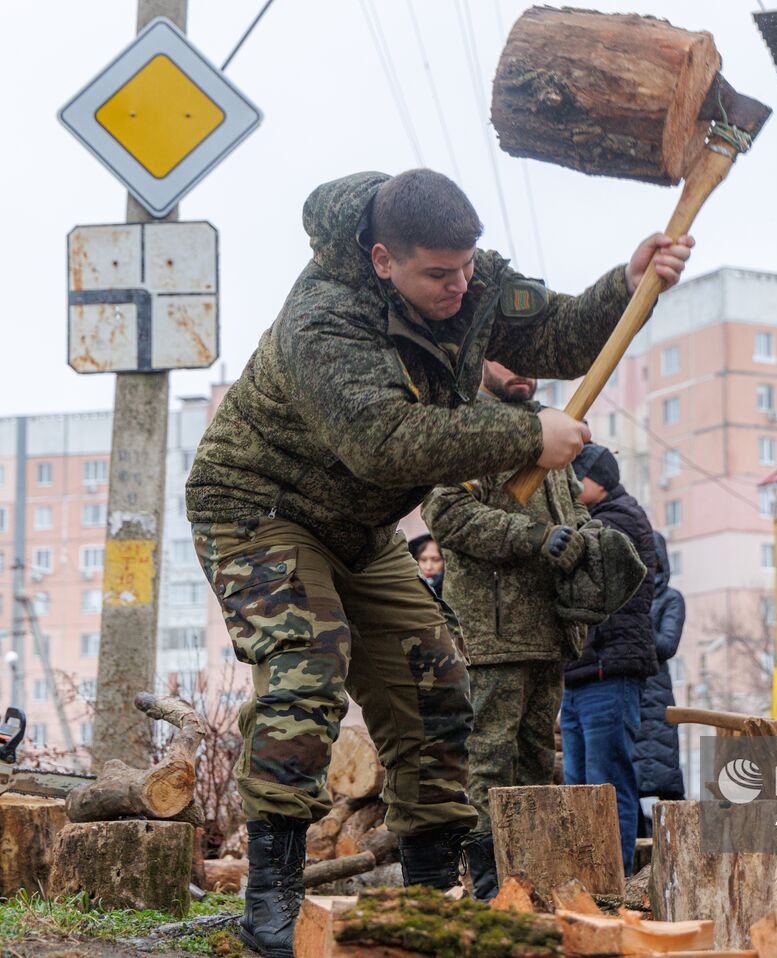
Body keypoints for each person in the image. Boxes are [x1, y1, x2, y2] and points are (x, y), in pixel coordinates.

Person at [185, 168, 691, 957]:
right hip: (261, 510)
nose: (460, 285)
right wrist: (530, 438)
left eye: (467, 266)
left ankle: (424, 901)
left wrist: (622, 287)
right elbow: (385, 442)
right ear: (385, 259)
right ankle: (272, 899)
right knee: (305, 668)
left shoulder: (470, 279)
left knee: (436, 684)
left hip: (360, 528)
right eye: (438, 274)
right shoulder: (326, 318)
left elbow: (554, 329)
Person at [420, 359, 592, 901]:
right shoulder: (466, 425)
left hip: (547, 627)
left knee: (538, 757)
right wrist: (535, 538)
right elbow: (446, 512)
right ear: (481, 362)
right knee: (489, 759)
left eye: (529, 360)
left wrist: (590, 542)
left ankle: (533, 881)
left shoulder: (551, 430)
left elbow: (571, 514)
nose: (521, 370)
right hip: (492, 632)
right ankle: (489, 884)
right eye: (506, 358)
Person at [561, 444, 657, 874]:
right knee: (578, 782)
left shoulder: (616, 523)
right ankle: (588, 876)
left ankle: (611, 876)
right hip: (583, 672)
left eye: (573, 478)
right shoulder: (604, 517)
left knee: (606, 781)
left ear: (596, 481)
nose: (566, 486)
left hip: (608, 670)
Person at [634, 531, 686, 835]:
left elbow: (667, 644)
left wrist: (634, 626)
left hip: (656, 696)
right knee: (628, 782)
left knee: (666, 777)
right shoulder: (625, 596)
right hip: (628, 692)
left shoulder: (670, 599)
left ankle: (679, 845)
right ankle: (637, 855)